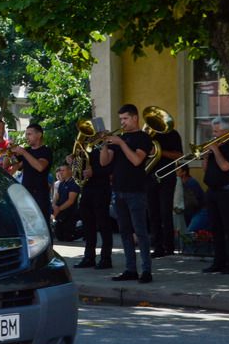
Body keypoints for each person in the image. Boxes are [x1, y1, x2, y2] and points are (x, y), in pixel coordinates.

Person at [99, 104, 154, 283]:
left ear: (135, 118)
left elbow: (137, 160)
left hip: (136, 190)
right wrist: (104, 145)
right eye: (120, 119)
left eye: (125, 119)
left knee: (141, 231)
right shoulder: (119, 138)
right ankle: (130, 268)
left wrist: (121, 143)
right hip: (118, 190)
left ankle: (146, 270)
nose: (122, 122)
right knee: (124, 232)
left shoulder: (143, 138)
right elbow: (104, 162)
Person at [202, 117, 229, 274]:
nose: (214, 134)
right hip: (212, 191)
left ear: (226, 131)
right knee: (215, 228)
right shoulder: (215, 147)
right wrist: (206, 156)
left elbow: (226, 167)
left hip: (227, 191)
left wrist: (216, 150)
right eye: (213, 131)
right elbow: (206, 170)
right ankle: (218, 262)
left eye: (216, 131)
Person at [147, 122, 184, 258]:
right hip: (149, 177)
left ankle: (168, 246)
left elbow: (179, 155)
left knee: (165, 212)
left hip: (166, 176)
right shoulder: (148, 136)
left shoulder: (172, 134)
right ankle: (157, 246)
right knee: (152, 213)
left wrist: (159, 152)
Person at [76, 142, 114, 269]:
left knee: (103, 225)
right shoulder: (87, 145)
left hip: (101, 188)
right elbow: (80, 170)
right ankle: (89, 257)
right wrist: (74, 162)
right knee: (87, 225)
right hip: (87, 188)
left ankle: (106, 258)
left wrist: (94, 172)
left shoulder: (108, 145)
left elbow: (109, 168)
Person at [9, 123, 52, 222]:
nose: (26, 137)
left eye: (29, 134)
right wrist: (9, 152)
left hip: (40, 194)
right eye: (26, 134)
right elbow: (13, 164)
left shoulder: (46, 151)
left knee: (41, 224)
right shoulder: (27, 150)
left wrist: (23, 152)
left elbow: (40, 167)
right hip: (26, 194)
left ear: (39, 135)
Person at [51, 161, 80, 242]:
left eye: (63, 170)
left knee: (67, 238)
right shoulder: (61, 183)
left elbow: (71, 201)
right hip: (61, 213)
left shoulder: (74, 183)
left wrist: (58, 208)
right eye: (60, 170)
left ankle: (82, 232)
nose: (60, 172)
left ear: (70, 171)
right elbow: (56, 196)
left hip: (70, 213)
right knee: (59, 236)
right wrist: (54, 205)